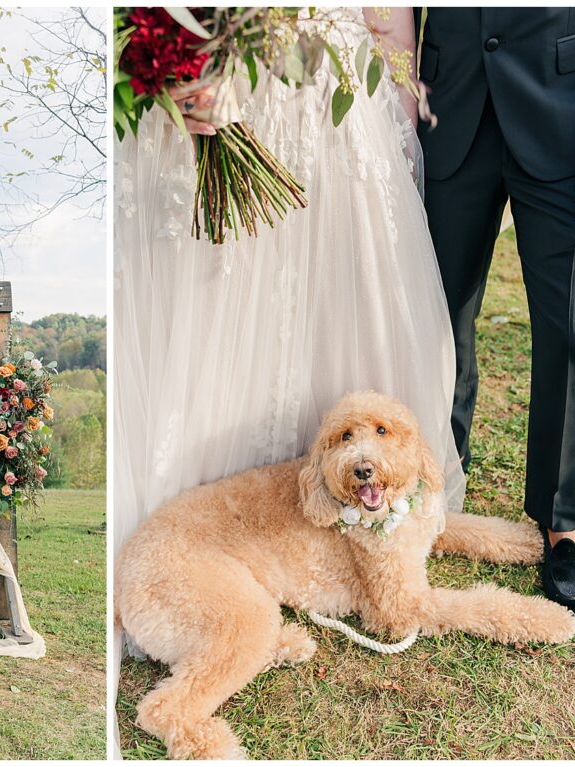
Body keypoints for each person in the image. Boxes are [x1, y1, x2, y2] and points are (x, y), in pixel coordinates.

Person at [113, 10, 465, 753]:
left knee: (333, 286)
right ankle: (210, 609)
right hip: (231, 82)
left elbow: (388, 22)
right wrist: (181, 66)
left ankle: (318, 524)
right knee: (223, 286)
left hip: (330, 89)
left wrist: (399, 120)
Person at [417, 8, 575, 615]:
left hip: (573, 117)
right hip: (451, 108)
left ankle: (559, 523)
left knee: (566, 332)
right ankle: (433, 490)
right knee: (435, 315)